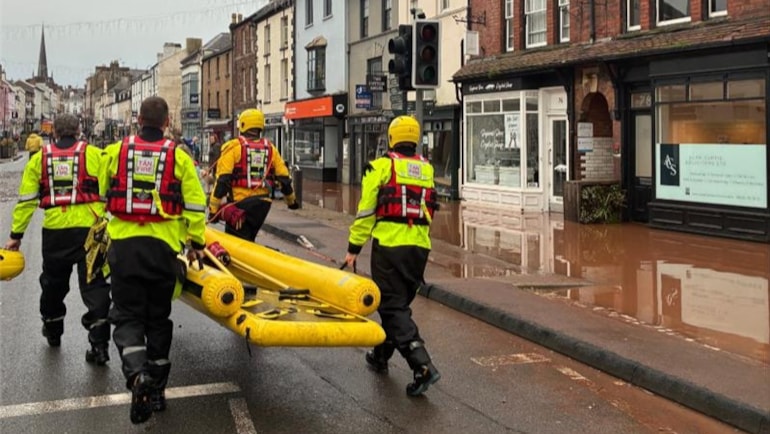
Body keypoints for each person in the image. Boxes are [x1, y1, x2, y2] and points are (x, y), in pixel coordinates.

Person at [102, 96, 207, 425]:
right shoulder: (179, 156)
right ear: (165, 123)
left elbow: (103, 190)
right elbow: (194, 204)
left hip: (124, 246)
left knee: (127, 317)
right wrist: (197, 243)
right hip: (163, 249)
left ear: (138, 120)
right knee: (158, 318)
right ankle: (158, 390)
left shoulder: (116, 151)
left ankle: (137, 377)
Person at [344, 115, 441, 397]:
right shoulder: (427, 169)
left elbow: (366, 212)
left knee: (391, 307)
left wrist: (353, 248)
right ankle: (380, 356)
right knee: (398, 304)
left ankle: (422, 365)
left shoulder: (380, 167)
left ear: (391, 138)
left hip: (389, 247)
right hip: (419, 248)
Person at [4, 114, 111, 365]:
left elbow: (27, 200)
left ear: (53, 133)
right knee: (95, 285)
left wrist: (15, 236)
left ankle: (53, 330)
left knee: (53, 285)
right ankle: (99, 345)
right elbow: (108, 188)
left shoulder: (40, 159)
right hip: (90, 231)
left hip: (55, 233)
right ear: (78, 131)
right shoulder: (95, 155)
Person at [209, 108, 298, 241]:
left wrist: (213, 210)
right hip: (263, 205)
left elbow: (222, 180)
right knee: (249, 237)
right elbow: (284, 178)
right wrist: (291, 201)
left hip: (240, 205)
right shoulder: (271, 148)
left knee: (235, 242)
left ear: (243, 125)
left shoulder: (233, 147)